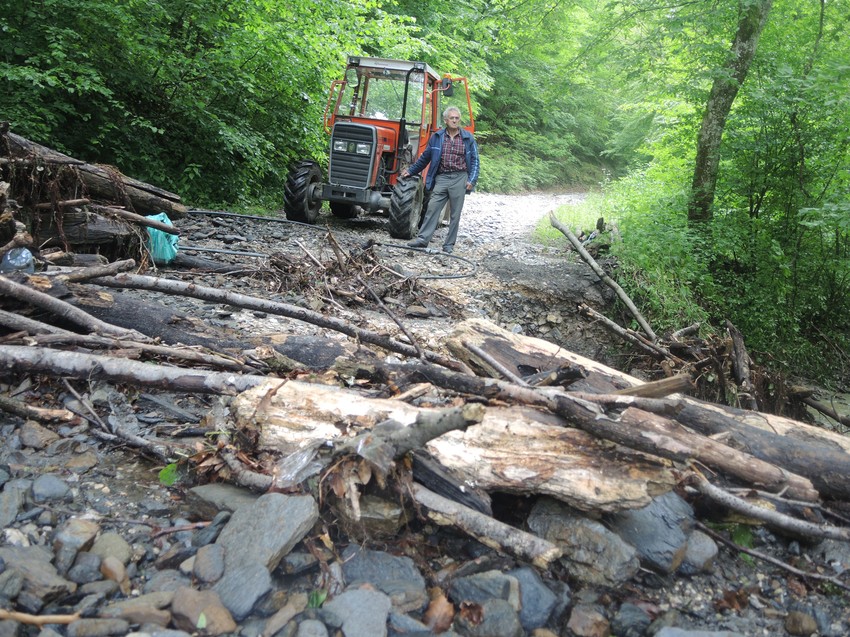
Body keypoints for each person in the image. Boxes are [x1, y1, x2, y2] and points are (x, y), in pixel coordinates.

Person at [401, 105, 479, 254]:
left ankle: (448, 245)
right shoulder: (437, 137)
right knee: (432, 207)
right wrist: (411, 171)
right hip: (442, 177)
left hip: (460, 177)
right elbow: (425, 158)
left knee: (455, 214)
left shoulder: (467, 138)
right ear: (446, 120)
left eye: (457, 118)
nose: (455, 120)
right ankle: (422, 239)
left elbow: (475, 160)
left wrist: (472, 180)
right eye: (452, 118)